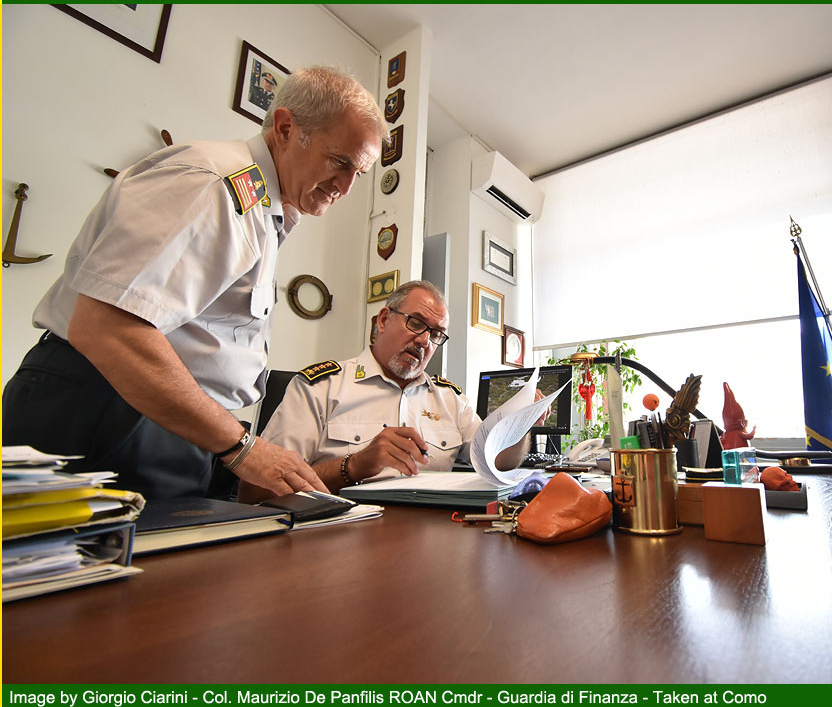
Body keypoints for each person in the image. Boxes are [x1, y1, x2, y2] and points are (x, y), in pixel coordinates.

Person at [2, 66, 387, 499]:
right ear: (284, 129)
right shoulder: (212, 183)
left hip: (171, 419)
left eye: (359, 173)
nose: (346, 187)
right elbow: (107, 327)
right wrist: (242, 447)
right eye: (340, 162)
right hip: (111, 407)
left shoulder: (261, 207)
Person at [238, 281, 546, 503]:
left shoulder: (450, 399)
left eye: (436, 334)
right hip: (338, 539)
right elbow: (255, 492)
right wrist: (353, 466)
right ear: (384, 320)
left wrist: (519, 426)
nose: (425, 341)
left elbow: (498, 462)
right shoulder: (320, 387)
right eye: (416, 323)